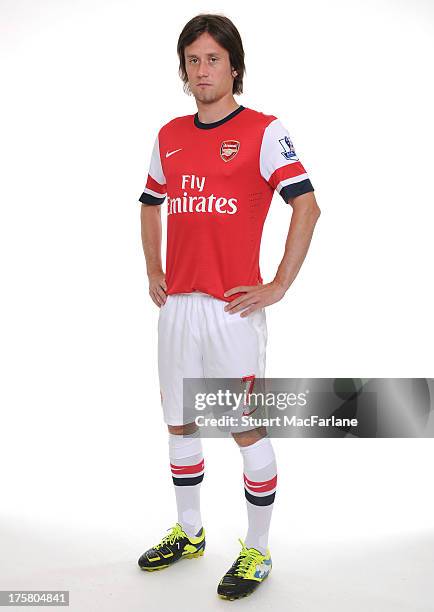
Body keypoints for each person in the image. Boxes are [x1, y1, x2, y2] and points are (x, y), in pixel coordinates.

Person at [137, 13, 320, 601]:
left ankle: (258, 550)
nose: (202, 70)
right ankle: (190, 533)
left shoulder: (265, 131)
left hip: (231, 309)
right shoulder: (168, 134)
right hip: (178, 308)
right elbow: (149, 202)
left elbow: (307, 206)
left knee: (243, 427)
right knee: (180, 422)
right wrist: (153, 269)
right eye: (193, 59)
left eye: (213, 58)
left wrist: (279, 284)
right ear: (183, 69)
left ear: (234, 66)